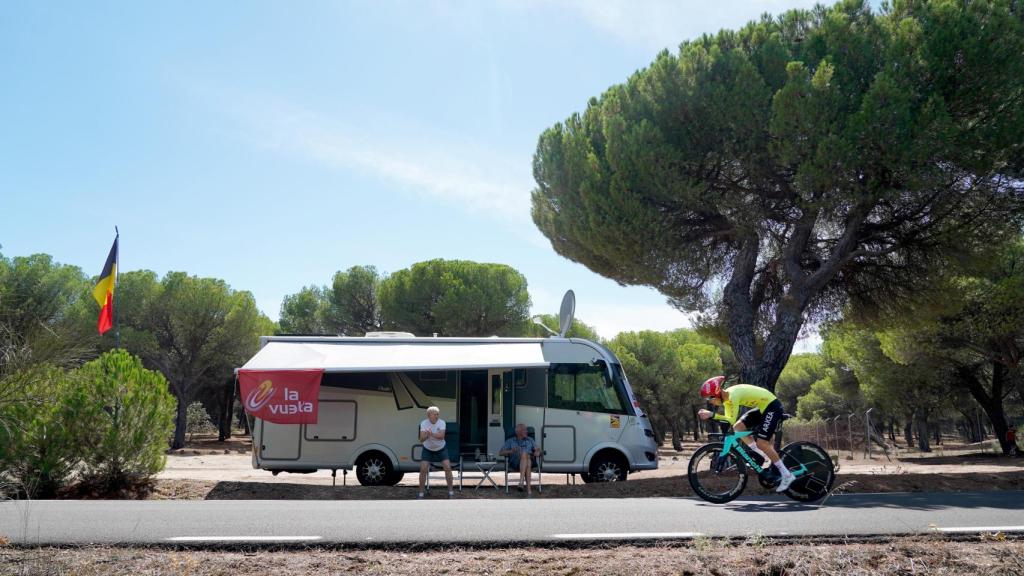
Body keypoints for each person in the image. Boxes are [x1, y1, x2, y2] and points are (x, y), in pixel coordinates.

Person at [697, 376, 796, 493]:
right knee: (737, 428)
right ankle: (760, 455)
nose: (710, 402)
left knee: (762, 443)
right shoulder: (726, 400)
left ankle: (787, 475)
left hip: (772, 406)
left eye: (710, 398)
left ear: (717, 393)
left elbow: (729, 418)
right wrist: (713, 416)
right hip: (763, 407)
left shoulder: (732, 396)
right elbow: (731, 421)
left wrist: (712, 415)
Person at [417, 406, 454, 499]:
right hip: (427, 449)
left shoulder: (442, 422)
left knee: (448, 467)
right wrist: (426, 435)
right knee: (423, 469)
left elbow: (441, 436)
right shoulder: (423, 423)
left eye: (438, 414)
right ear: (429, 415)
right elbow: (421, 439)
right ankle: (421, 494)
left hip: (441, 448)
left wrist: (431, 434)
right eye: (435, 414)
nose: (437, 416)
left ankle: (451, 492)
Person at [499, 423, 541, 496]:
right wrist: (511, 451)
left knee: (526, 456)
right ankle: (529, 490)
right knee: (526, 458)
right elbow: (501, 452)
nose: (527, 432)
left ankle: (521, 482)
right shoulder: (510, 441)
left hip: (530, 459)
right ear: (518, 432)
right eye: (524, 430)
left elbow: (538, 449)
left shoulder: (530, 440)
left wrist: (537, 451)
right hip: (515, 462)